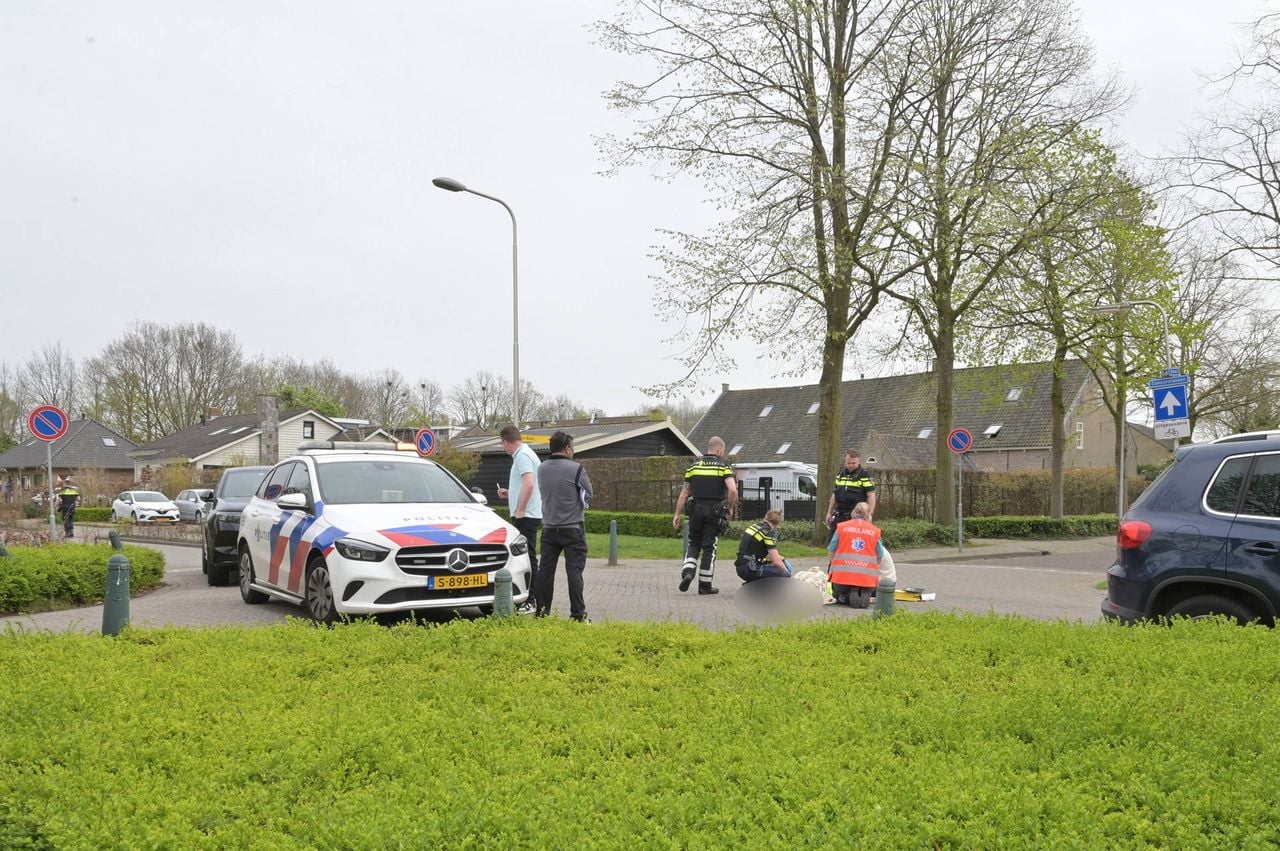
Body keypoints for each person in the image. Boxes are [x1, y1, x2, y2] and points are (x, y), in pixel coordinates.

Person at [535, 430, 593, 622]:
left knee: (545, 571)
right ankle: (577, 614)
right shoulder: (576, 469)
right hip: (573, 527)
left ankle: (542, 613)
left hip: (549, 528)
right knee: (574, 572)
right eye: (572, 447)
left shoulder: (541, 469)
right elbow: (589, 493)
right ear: (567, 448)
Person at [672, 436, 739, 595]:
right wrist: (730, 507)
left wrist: (677, 514)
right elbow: (732, 490)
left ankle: (688, 573)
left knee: (693, 543)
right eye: (723, 451)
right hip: (714, 511)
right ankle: (704, 585)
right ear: (719, 450)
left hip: (695, 510)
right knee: (709, 547)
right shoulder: (723, 467)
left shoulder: (693, 466)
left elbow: (684, 493)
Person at [497, 425, 542, 615]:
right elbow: (527, 485)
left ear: (506, 441)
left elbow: (529, 484)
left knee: (527, 557)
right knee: (527, 556)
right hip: (529, 514)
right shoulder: (526, 453)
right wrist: (510, 493)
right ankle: (530, 598)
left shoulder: (522, 455)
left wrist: (521, 509)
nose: (503, 448)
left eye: (502, 444)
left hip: (526, 516)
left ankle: (532, 599)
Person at [827, 501, 896, 608]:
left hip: (843, 577)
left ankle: (846, 595)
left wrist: (833, 564)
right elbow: (880, 555)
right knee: (865, 584)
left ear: (853, 512)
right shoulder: (875, 531)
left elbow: (831, 549)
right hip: (867, 578)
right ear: (868, 516)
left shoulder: (841, 527)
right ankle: (863, 591)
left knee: (838, 592)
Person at [734, 509, 793, 583]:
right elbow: (776, 561)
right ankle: (757, 587)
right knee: (783, 574)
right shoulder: (768, 533)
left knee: (775, 567)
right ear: (777, 524)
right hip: (749, 568)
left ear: (766, 517)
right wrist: (788, 574)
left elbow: (770, 554)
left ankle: (753, 585)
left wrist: (783, 559)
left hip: (742, 566)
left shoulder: (755, 527)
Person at [825, 449, 876, 530]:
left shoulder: (864, 475)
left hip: (856, 516)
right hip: (839, 515)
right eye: (848, 463)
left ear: (859, 461)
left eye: (853, 463)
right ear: (845, 461)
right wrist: (829, 512)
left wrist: (869, 515)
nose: (851, 465)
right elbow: (835, 494)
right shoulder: (840, 474)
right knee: (834, 538)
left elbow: (871, 496)